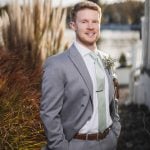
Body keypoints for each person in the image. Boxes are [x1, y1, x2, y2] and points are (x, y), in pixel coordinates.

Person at [40, 1, 121, 150]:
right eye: (84, 21)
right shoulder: (57, 64)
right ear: (73, 25)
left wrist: (115, 132)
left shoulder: (107, 59)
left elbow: (113, 102)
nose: (90, 27)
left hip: (108, 142)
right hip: (77, 144)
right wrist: (61, 147)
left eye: (95, 21)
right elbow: (49, 113)